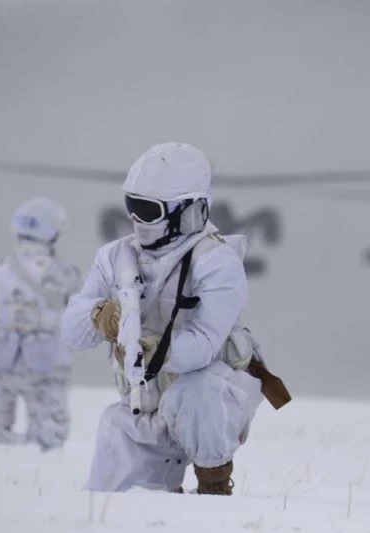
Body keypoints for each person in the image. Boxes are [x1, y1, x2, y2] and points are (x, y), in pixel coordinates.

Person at [59, 142, 290, 495]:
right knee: (109, 499)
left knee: (198, 393)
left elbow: (204, 344)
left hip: (212, 401)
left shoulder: (216, 261)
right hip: (144, 403)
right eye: (132, 206)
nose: (137, 220)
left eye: (148, 211)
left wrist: (154, 351)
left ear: (187, 211)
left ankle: (213, 484)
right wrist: (101, 317)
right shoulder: (116, 257)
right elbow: (70, 331)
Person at [0, 197, 82, 451]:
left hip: (4, 356)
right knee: (50, 436)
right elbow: (76, 309)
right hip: (46, 361)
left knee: (0, 424)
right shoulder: (62, 272)